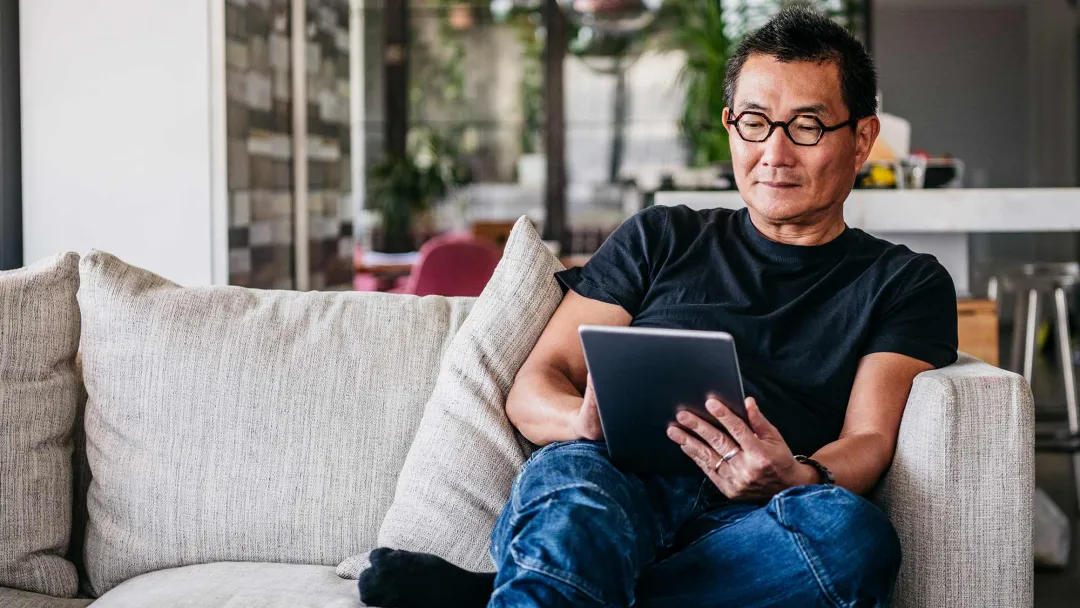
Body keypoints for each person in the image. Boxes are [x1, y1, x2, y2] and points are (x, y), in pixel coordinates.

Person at [359, 7, 958, 607]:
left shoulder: (904, 281)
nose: (774, 151)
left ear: (861, 139)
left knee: (852, 539)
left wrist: (795, 474)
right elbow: (537, 383)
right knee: (575, 491)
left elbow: (869, 438)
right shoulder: (661, 237)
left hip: (755, 518)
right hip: (614, 486)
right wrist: (579, 424)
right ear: (729, 126)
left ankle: (534, 587)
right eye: (754, 122)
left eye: (806, 125)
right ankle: (559, 575)